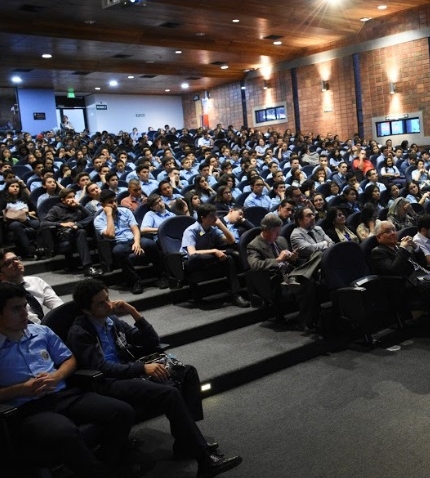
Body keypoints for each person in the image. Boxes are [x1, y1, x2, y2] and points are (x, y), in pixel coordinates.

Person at [66, 279, 243, 478]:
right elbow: (102, 368)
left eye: (108, 299)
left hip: (129, 371)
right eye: (101, 303)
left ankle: (185, 443)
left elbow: (151, 341)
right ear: (87, 310)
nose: (108, 305)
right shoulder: (80, 332)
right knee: (169, 393)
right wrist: (142, 368)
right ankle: (204, 460)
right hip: (107, 383)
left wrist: (133, 311)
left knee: (187, 372)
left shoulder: (111, 321)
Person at [0, 282, 135, 477]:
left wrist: (57, 376)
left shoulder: (41, 332)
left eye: (24, 306)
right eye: (16, 309)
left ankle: (105, 464)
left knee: (122, 411)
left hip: (64, 394)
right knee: (65, 432)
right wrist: (21, 389)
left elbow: (69, 360)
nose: (24, 313)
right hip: (28, 409)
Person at [245, 213, 322, 329]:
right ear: (266, 230)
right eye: (275, 232)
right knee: (307, 283)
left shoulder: (281, 240)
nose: (278, 234)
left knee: (318, 255)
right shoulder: (254, 245)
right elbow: (255, 265)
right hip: (276, 281)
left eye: (279, 231)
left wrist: (293, 258)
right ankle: (305, 321)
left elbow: (291, 262)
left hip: (291, 273)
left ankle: (315, 318)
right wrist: (278, 260)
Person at [94, 189, 166, 294]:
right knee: (118, 252)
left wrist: (137, 243)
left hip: (134, 239)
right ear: (102, 204)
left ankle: (161, 276)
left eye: (115, 201)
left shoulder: (125, 211)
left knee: (150, 244)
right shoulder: (99, 219)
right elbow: (110, 235)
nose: (114, 204)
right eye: (110, 202)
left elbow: (135, 229)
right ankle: (135, 281)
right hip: (118, 243)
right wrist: (109, 215)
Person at [181, 204, 252, 308]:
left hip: (209, 258)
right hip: (192, 261)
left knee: (230, 257)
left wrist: (221, 225)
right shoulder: (191, 230)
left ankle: (236, 295)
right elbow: (192, 253)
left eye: (216, 215)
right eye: (212, 216)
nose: (216, 218)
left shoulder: (212, 229)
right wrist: (214, 251)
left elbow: (231, 241)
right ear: (203, 218)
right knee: (221, 254)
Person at [39, 188, 102, 276]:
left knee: (82, 229)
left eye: (73, 197)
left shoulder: (77, 208)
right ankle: (87, 267)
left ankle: (88, 267)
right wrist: (62, 224)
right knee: (81, 231)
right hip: (64, 234)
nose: (72, 199)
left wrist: (80, 206)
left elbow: (92, 216)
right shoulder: (56, 209)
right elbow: (43, 223)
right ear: (63, 200)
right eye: (69, 197)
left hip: (76, 232)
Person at [0, 249, 63, 323]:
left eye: (16, 259)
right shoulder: (3, 294)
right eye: (8, 263)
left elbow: (57, 305)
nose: (16, 262)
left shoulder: (36, 281)